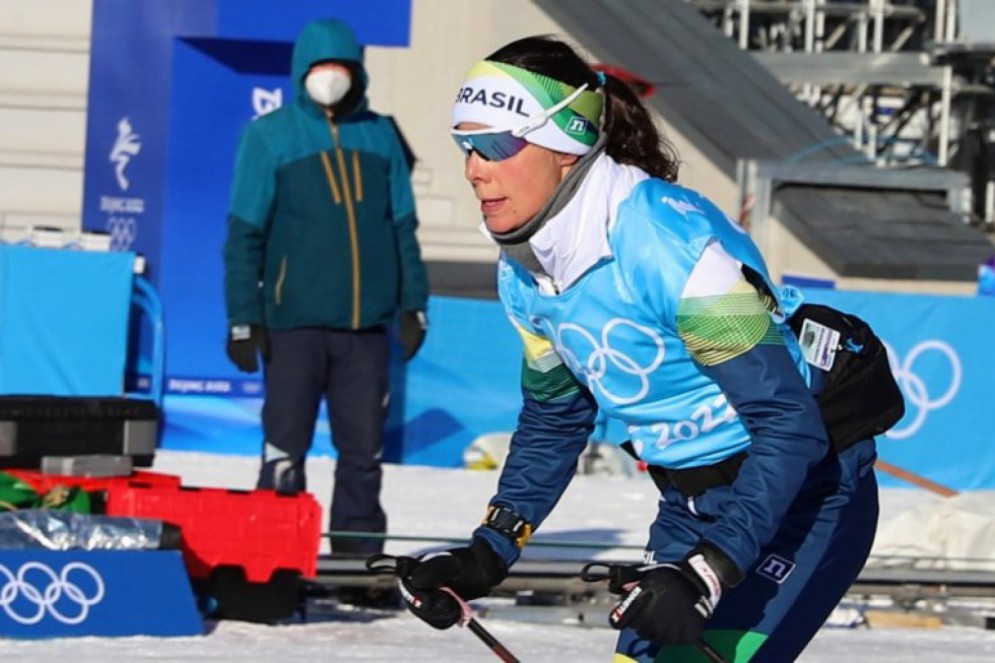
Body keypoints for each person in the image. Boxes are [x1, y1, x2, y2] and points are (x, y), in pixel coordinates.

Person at [391, 36, 880, 661]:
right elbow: (554, 418)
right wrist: (490, 550)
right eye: (467, 146)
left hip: (800, 493)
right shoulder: (524, 270)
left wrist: (708, 570)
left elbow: (788, 423)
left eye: (496, 145)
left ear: (565, 145)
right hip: (692, 503)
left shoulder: (663, 243)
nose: (473, 168)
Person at [223, 18, 429, 558]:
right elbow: (244, 234)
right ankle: (272, 555)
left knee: (363, 452)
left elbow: (403, 227)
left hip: (365, 330)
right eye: (320, 67)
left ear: (357, 73)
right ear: (301, 73)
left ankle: (358, 559)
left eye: (341, 67)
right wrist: (244, 317)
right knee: (284, 447)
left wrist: (415, 305)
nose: (330, 77)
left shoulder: (382, 133)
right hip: (294, 325)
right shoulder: (270, 136)